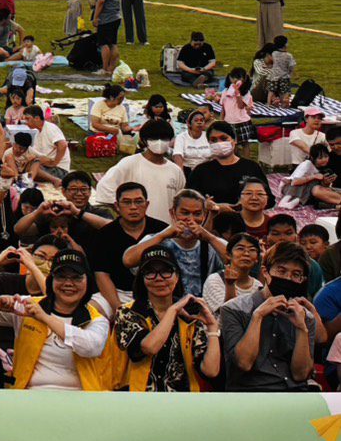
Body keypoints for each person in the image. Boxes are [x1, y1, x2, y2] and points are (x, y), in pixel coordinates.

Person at [116, 249, 222, 393]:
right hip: (139, 399)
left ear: (177, 276)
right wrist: (172, 311)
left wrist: (212, 327)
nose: (159, 278)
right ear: (142, 278)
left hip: (181, 402)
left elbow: (211, 371)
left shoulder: (190, 317)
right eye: (150, 272)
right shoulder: (128, 312)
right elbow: (149, 347)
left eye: (166, 271)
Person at [219, 243, 321, 392]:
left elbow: (301, 375)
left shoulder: (305, 317)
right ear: (266, 272)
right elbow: (244, 363)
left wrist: (301, 329)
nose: (288, 278)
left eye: (296, 275)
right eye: (281, 271)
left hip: (294, 393)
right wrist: (258, 316)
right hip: (250, 393)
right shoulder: (234, 309)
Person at [91, 119, 186, 216]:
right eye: (154, 138)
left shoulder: (175, 171)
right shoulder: (129, 164)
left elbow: (180, 202)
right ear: (144, 140)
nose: (159, 142)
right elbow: (105, 188)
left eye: (164, 138)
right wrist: (123, 213)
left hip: (167, 227)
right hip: (136, 228)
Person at [186, 122, 272, 207]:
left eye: (223, 138)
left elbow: (269, 200)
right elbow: (188, 200)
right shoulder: (201, 171)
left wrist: (248, 204)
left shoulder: (251, 167)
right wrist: (205, 205)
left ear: (234, 141)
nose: (219, 143)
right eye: (213, 140)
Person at [91, 0, 121, 75]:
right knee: (113, 43)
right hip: (117, 16)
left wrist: (96, 17)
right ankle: (111, 68)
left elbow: (101, 1)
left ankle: (104, 68)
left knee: (104, 43)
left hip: (107, 17)